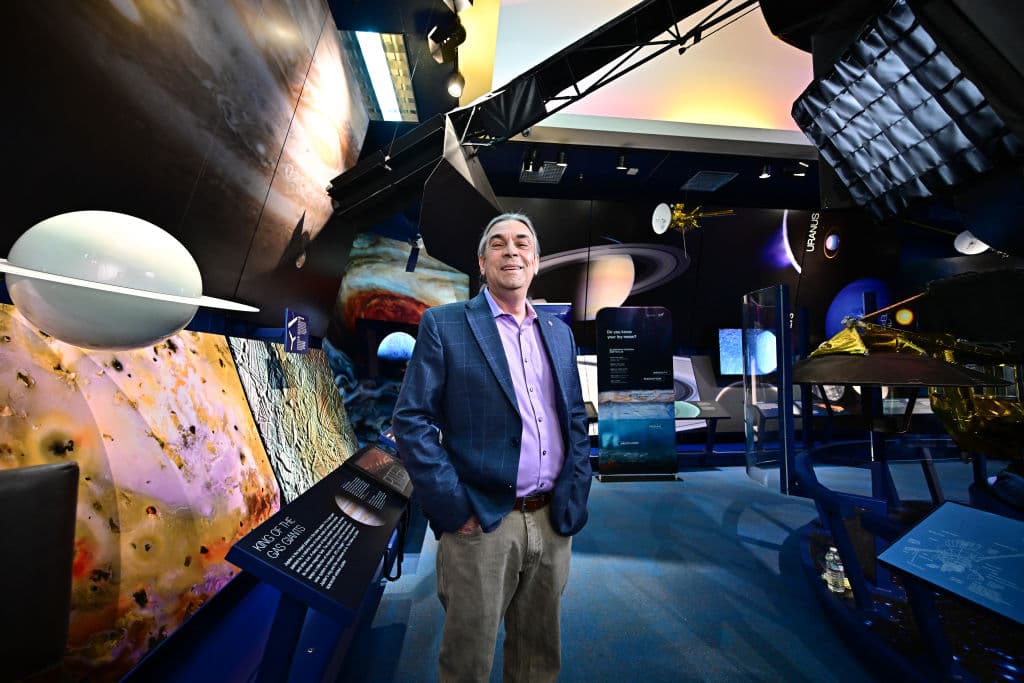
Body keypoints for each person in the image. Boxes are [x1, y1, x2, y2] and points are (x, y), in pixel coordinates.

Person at [391, 212, 592, 682]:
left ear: (536, 262)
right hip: (481, 523)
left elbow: (575, 419)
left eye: (522, 243)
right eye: (498, 244)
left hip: (551, 518)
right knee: (468, 661)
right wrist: (452, 507)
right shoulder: (445, 325)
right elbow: (411, 420)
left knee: (539, 657)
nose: (511, 251)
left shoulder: (558, 333)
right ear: (482, 263)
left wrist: (576, 491)